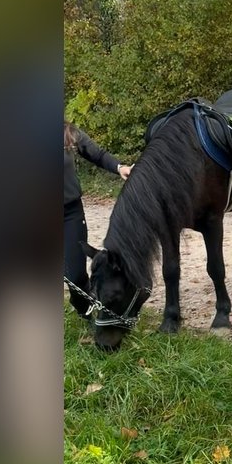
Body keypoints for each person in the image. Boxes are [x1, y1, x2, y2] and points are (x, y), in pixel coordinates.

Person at [64, 121, 131, 317]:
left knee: (75, 277)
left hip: (70, 213)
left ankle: (84, 309)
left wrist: (120, 168)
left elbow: (98, 154)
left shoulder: (68, 132)